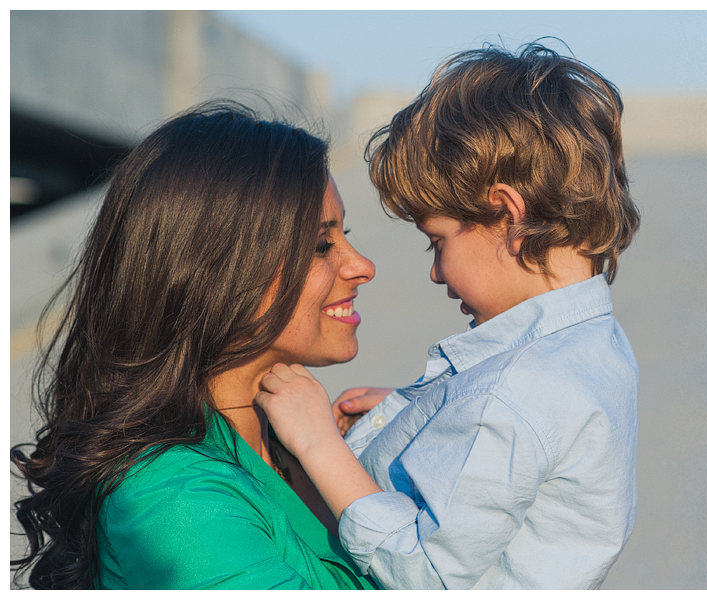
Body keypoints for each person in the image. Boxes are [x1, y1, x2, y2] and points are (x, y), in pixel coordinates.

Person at [256, 42, 641, 589]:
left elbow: (426, 575)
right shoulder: (593, 347)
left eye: (436, 241)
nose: (436, 273)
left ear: (509, 215)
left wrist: (317, 441)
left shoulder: (510, 395)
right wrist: (422, 414)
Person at [10, 102, 378, 590]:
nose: (362, 266)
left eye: (344, 235)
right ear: (218, 269)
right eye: (320, 245)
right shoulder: (174, 498)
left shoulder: (295, 445)